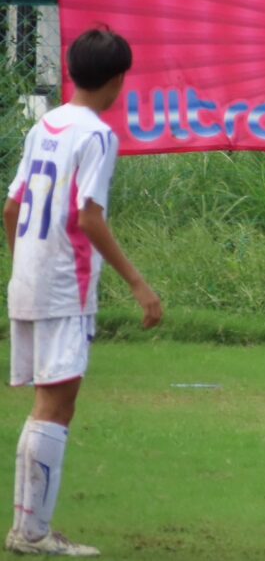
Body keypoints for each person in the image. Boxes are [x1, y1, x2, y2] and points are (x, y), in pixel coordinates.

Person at [3, 28, 163, 557]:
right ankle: (32, 533)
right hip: (64, 285)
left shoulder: (44, 125)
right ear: (117, 79)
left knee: (46, 403)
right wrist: (139, 284)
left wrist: (21, 264)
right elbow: (88, 216)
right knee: (57, 404)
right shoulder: (96, 135)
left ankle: (26, 527)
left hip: (29, 277)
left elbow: (11, 208)